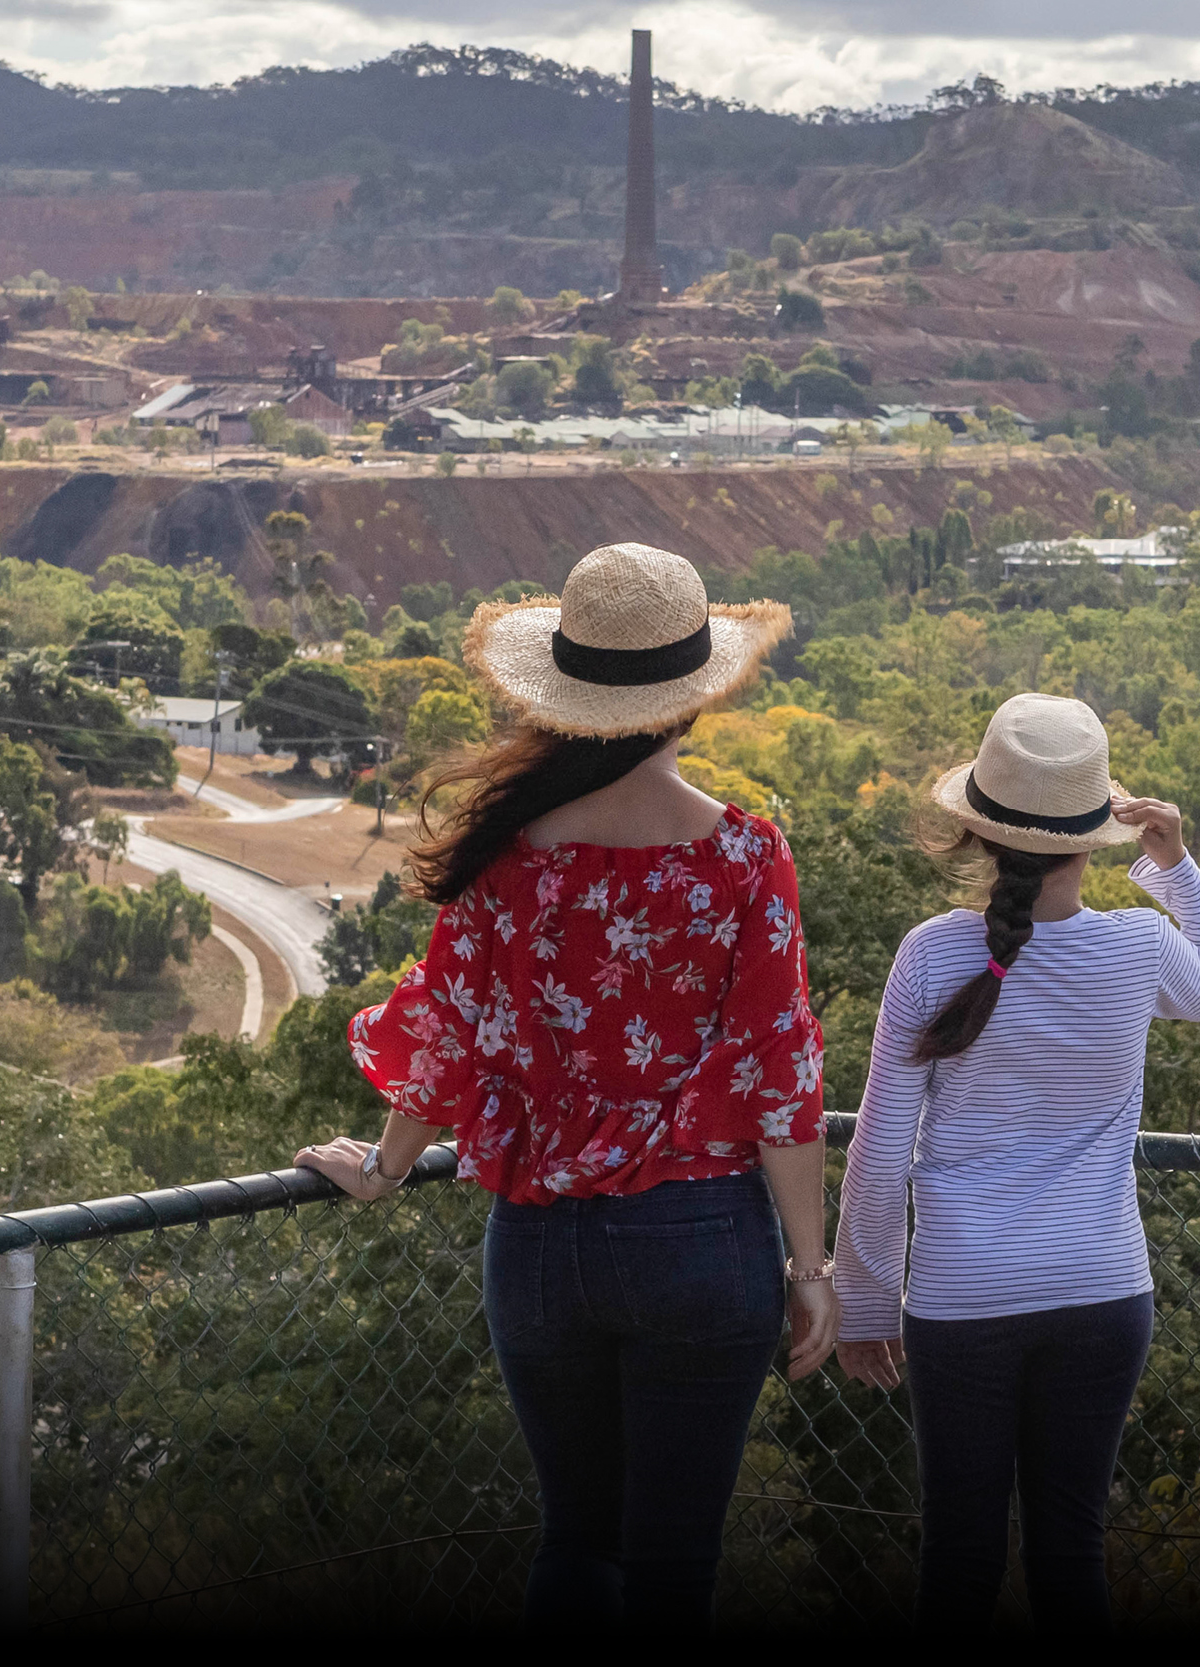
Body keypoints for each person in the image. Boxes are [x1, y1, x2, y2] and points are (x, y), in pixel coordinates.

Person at [301, 542, 836, 1628]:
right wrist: (812, 1263)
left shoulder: (511, 856)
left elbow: (446, 1029)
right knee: (673, 1561)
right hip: (699, 1239)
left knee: (577, 1542)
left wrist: (384, 1166)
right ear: (695, 700)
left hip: (540, 1245)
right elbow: (781, 1067)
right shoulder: (742, 855)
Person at [829, 692, 1200, 1630]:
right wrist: (1174, 866)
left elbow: (880, 1143)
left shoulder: (934, 954)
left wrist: (862, 1301)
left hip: (961, 1297)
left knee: (959, 1555)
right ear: (1095, 834)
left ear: (978, 833)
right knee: (1070, 1554)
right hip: (1103, 1291)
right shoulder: (1138, 946)